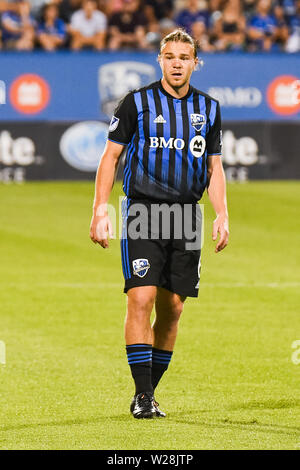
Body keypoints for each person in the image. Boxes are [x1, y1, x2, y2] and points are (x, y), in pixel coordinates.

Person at [90, 29, 229, 419]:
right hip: (143, 213)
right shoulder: (137, 103)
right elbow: (110, 157)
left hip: (186, 217)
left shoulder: (210, 109)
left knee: (172, 310)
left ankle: (150, 392)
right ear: (160, 60)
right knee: (141, 298)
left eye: (185, 57)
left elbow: (214, 168)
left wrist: (222, 213)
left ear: (195, 62)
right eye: (170, 56)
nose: (177, 63)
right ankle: (143, 395)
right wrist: (100, 208)